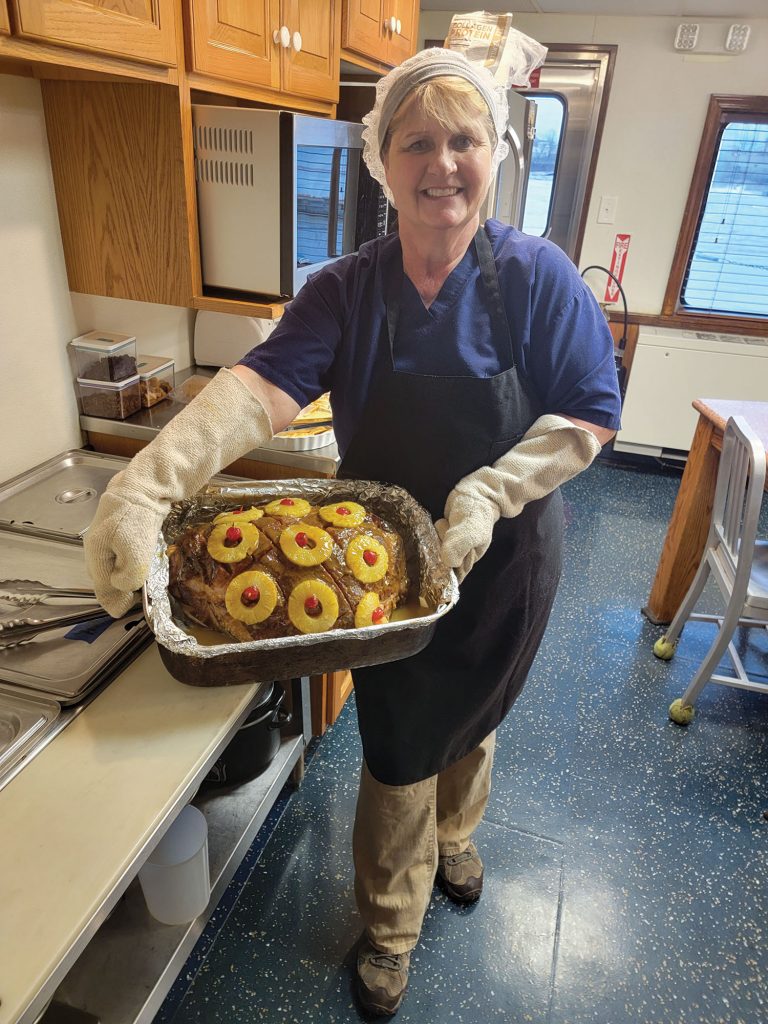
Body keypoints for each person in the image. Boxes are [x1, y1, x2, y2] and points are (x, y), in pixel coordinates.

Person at [85, 47, 621, 1018]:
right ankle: (390, 930)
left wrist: (493, 492)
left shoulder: (537, 278)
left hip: (505, 554)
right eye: (417, 140)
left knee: (478, 711)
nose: (442, 163)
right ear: (382, 159)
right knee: (399, 744)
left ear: (494, 151)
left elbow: (588, 412)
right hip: (382, 566)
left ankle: (459, 834)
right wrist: (148, 482)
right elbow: (257, 391)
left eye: (463, 139)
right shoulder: (345, 288)